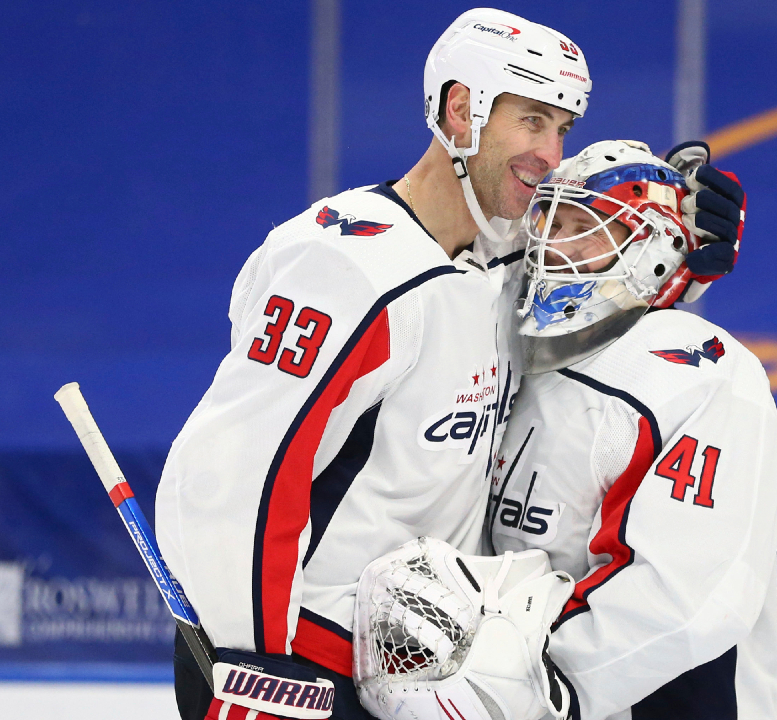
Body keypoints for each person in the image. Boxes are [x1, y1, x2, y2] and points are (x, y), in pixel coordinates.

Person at [155, 9, 589, 720]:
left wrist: (685, 252)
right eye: (532, 120)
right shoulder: (344, 265)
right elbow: (237, 477)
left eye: (562, 127)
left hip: (429, 665)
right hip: (306, 664)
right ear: (462, 109)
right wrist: (255, 665)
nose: (551, 151)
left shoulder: (507, 262)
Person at [487, 139, 777, 720]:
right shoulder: (505, 350)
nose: (556, 247)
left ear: (651, 248)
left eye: (587, 227)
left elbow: (686, 600)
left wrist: (541, 687)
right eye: (554, 223)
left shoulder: (703, 373)